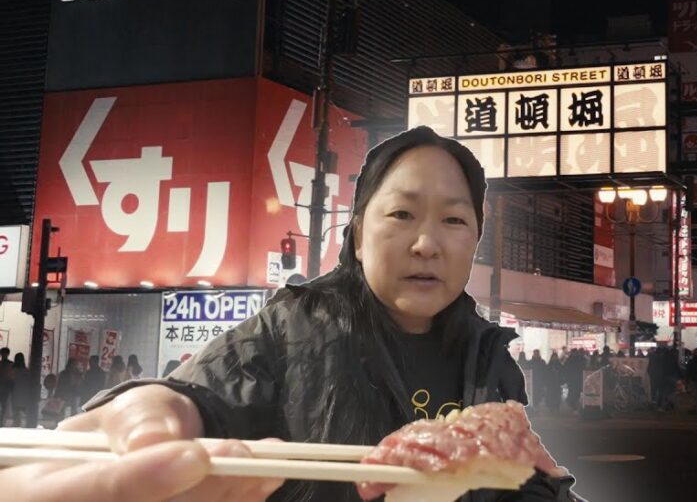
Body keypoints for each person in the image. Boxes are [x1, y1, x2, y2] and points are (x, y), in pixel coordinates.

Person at [2, 126, 577, 502]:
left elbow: (524, 486)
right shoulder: (293, 327)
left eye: (454, 221)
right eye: (401, 213)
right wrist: (155, 410)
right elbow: (201, 402)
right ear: (355, 237)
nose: (427, 243)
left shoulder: (489, 355)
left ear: (475, 240)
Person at [0, 347, 12, 426]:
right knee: (4, 405)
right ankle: (1, 421)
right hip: (6, 388)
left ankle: (1, 421)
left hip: (4, 387)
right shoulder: (11, 364)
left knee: (4, 405)